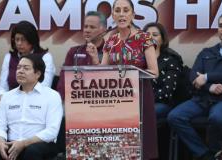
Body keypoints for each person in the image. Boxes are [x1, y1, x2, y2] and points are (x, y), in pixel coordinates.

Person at [167, 12, 222, 160]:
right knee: (174, 116)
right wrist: (209, 86)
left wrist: (208, 77)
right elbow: (193, 76)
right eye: (221, 25)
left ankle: (214, 151)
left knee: (217, 117)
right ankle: (208, 155)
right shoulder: (207, 52)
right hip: (202, 98)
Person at [87, 0, 159, 159]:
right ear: (112, 15)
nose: (121, 14)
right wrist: (94, 58)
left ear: (132, 15)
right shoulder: (110, 41)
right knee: (118, 147)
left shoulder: (144, 38)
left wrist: (130, 73)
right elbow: (103, 72)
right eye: (117, 10)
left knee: (140, 146)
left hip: (139, 96)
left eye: (126, 10)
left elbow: (154, 72)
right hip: (117, 98)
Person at [0, 54, 63, 160]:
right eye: (18, 67)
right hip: (11, 144)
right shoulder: (8, 96)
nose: (20, 71)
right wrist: (0, 144)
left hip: (39, 144)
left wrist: (23, 143)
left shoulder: (51, 96)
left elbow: (52, 131)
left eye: (26, 68)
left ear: (38, 74)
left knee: (33, 152)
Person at [0, 20, 55, 100]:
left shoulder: (45, 57)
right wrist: (4, 100)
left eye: (23, 39)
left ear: (32, 40)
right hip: (12, 102)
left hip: (36, 102)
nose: (19, 43)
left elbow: (45, 86)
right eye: (17, 39)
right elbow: (2, 87)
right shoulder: (9, 57)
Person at [56, 11, 107, 100]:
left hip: (102, 103)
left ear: (103, 31)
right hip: (75, 102)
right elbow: (63, 82)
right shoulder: (73, 52)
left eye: (92, 27)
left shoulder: (111, 51)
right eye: (85, 26)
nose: (87, 30)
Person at [143, 22, 183, 120]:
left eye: (155, 35)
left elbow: (167, 91)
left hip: (162, 103)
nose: (150, 38)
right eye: (147, 35)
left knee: (143, 113)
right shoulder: (138, 59)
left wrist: (145, 100)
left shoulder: (171, 60)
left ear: (163, 39)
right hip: (138, 102)